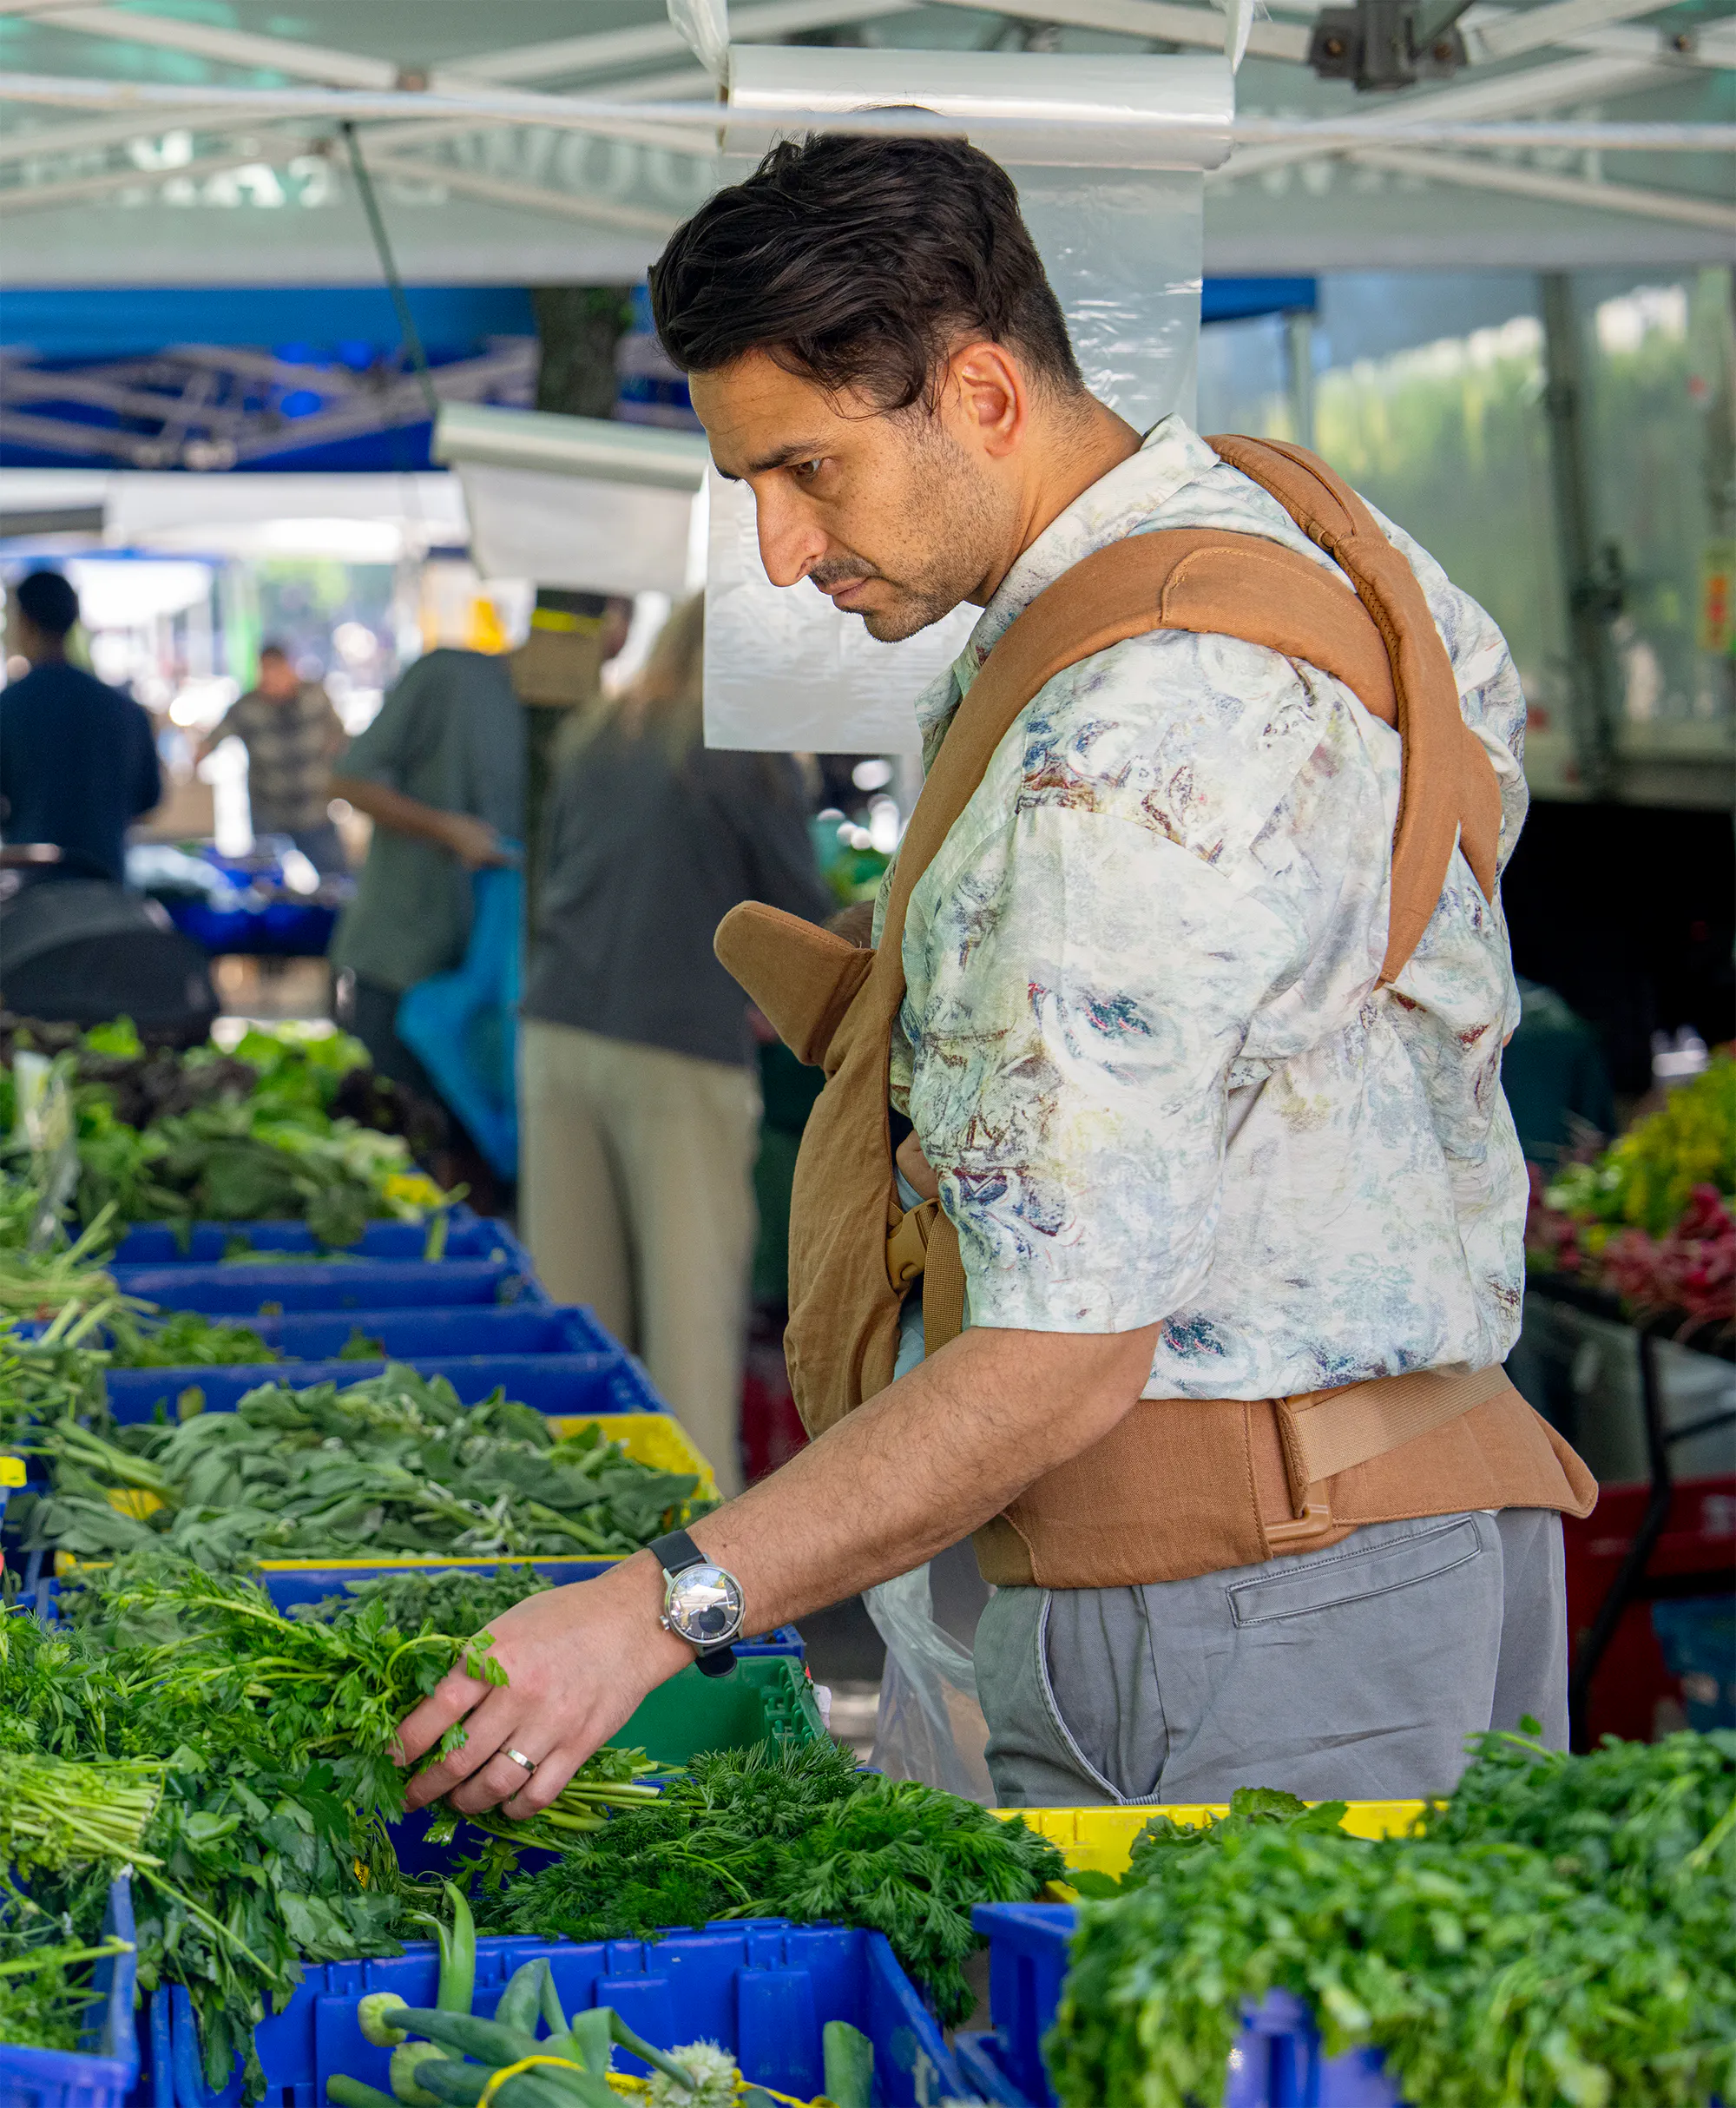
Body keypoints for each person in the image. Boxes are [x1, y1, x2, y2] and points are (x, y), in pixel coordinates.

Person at [395, 135, 1595, 1823]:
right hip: (1404, 1530)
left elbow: (1060, 1355)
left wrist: (656, 1604)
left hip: (1233, 1602)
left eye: (806, 470)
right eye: (748, 485)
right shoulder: (1297, 535)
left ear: (980, 392)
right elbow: (1443, 833)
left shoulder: (1117, 746)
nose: (780, 552)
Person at [519, 596, 831, 1499]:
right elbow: (798, 921)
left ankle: (565, 1550)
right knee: (689, 1328)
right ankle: (706, 1596)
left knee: (580, 1321)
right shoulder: (744, 746)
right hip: (677, 1049)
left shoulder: (597, 732)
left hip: (557, 1032)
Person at [327, 645, 523, 1110]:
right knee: (392, 1137)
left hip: (484, 988)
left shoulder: (571, 715)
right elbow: (348, 782)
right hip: (399, 969)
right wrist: (447, 830)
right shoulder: (450, 677)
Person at [0, 570, 161, 885]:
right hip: (108, 884)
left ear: (23, 622)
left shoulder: (8, 708)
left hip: (33, 892)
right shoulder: (123, 708)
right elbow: (148, 800)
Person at [197, 642, 349, 874]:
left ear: (289, 667)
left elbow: (339, 737)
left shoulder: (315, 697)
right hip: (269, 813)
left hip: (314, 810)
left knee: (337, 880)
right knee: (265, 884)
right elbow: (212, 741)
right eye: (266, 669)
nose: (272, 677)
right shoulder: (247, 707)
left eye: (277, 669)